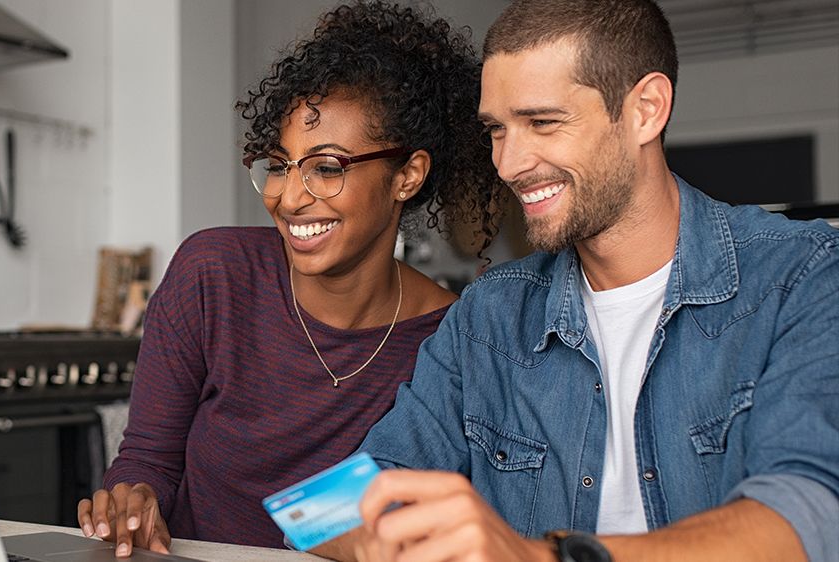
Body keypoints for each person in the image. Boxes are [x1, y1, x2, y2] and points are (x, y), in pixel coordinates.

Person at [314, 0, 839, 561]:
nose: (509, 164)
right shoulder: (489, 316)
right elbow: (326, 511)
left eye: (543, 122)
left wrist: (539, 556)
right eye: (496, 129)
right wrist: (388, 531)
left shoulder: (803, 276)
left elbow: (808, 517)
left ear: (646, 109)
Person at [76, 1, 504, 557]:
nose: (290, 197)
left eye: (327, 167)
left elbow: (383, 514)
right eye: (280, 164)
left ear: (408, 176)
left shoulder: (450, 339)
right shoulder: (213, 274)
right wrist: (130, 504)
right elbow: (147, 458)